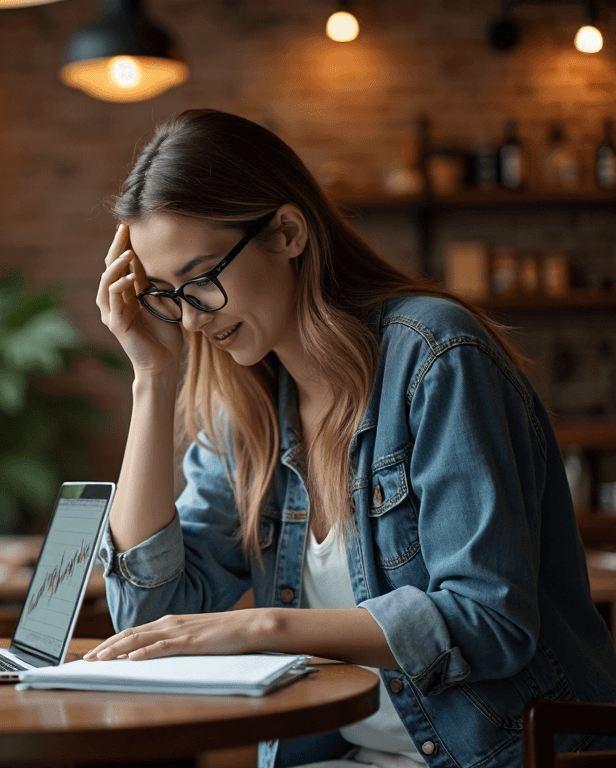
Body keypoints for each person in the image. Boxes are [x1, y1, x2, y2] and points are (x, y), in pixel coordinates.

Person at [86, 109, 616, 768]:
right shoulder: (244, 409)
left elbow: (493, 622)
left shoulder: (436, 356)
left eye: (201, 281)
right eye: (167, 295)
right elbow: (147, 617)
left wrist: (259, 628)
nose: (191, 320)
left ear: (286, 232)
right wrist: (152, 378)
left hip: (497, 754)